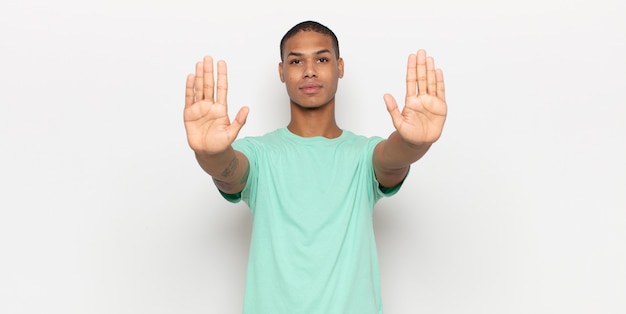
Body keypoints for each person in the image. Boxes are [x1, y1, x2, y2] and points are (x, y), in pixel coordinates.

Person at [183, 20, 447, 314]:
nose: (309, 70)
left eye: (322, 59)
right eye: (296, 61)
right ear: (282, 72)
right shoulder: (259, 154)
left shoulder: (364, 154)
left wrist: (415, 143)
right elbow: (228, 171)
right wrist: (209, 152)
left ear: (340, 67)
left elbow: (393, 160)